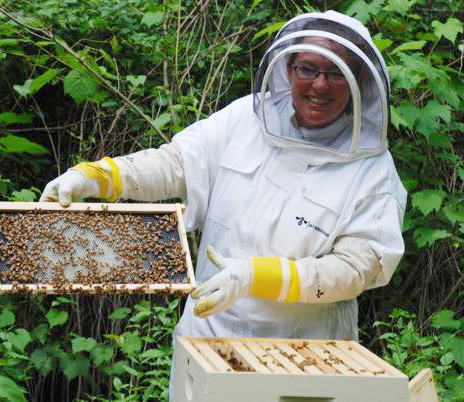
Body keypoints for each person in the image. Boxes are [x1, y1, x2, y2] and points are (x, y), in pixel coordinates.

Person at [41, 6, 406, 383]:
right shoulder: (245, 119)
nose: (319, 85)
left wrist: (257, 276)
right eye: (308, 69)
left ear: (358, 79)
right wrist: (98, 176)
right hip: (207, 342)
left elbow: (357, 267)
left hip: (305, 359)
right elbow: (175, 164)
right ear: (288, 67)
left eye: (335, 73)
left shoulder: (372, 170)